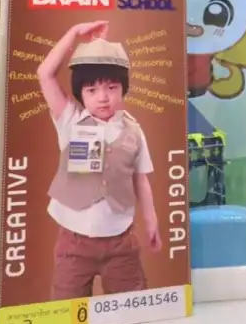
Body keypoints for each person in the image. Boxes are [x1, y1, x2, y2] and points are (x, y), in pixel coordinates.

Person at [37, 22, 161, 300]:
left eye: (111, 87)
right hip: (74, 242)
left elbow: (140, 178)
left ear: (123, 88)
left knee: (131, 306)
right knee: (66, 311)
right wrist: (73, 34)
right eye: (91, 90)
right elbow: (45, 74)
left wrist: (151, 219)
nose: (103, 97)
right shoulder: (70, 119)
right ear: (80, 94)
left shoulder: (133, 130)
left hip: (121, 241)